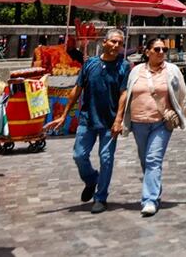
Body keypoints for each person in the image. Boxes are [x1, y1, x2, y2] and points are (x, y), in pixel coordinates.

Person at [43, 29, 129, 214]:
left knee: (106, 159)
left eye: (120, 43)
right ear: (104, 42)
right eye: (113, 42)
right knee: (79, 155)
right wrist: (64, 114)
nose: (116, 46)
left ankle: (101, 197)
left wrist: (119, 119)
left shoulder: (124, 66)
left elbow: (124, 93)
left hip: (109, 120)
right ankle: (91, 179)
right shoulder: (90, 64)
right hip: (87, 118)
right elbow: (77, 88)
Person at [114, 37, 186, 217]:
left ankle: (149, 199)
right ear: (147, 52)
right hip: (138, 123)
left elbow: (183, 96)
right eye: (157, 49)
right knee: (145, 160)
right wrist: (120, 119)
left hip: (161, 123)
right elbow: (126, 94)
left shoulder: (172, 71)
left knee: (153, 159)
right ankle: (154, 187)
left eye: (164, 50)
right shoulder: (135, 71)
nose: (161, 53)